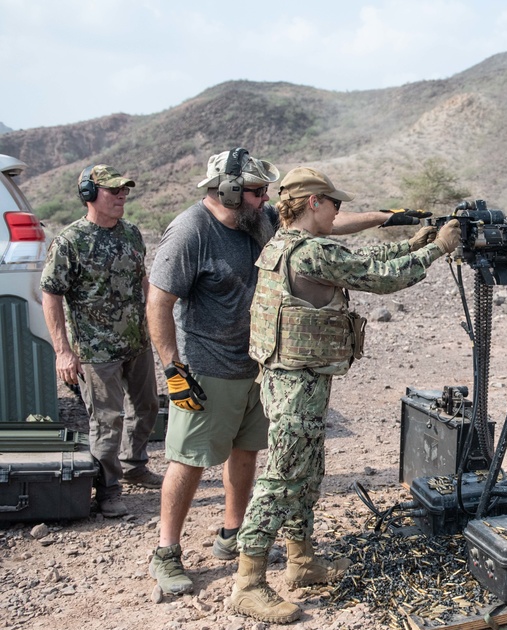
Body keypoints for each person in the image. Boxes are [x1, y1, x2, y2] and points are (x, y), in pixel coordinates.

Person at [146, 150, 415, 596]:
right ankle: (167, 552)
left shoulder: (260, 220)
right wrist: (173, 368)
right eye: (256, 191)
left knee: (248, 454)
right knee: (190, 459)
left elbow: (327, 224)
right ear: (228, 191)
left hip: (265, 360)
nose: (265, 198)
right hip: (210, 366)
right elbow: (158, 302)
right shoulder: (191, 231)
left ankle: (233, 535)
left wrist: (388, 218)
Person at [228, 166, 460, 624]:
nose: (338, 211)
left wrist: (415, 241)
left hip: (298, 378)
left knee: (307, 471)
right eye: (334, 202)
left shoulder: (286, 243)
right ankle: (248, 583)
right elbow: (380, 276)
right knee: (281, 478)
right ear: (313, 202)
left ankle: (302, 562)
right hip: (297, 383)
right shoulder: (311, 251)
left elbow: (363, 262)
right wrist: (436, 249)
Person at [40, 164, 162, 519]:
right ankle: (108, 490)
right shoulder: (70, 241)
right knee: (107, 421)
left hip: (136, 343)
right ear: (90, 195)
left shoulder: (131, 233)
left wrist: (158, 321)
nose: (122, 195)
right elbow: (51, 294)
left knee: (147, 407)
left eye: (124, 190)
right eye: (113, 190)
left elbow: (143, 282)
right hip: (96, 351)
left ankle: (134, 464)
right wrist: (63, 351)